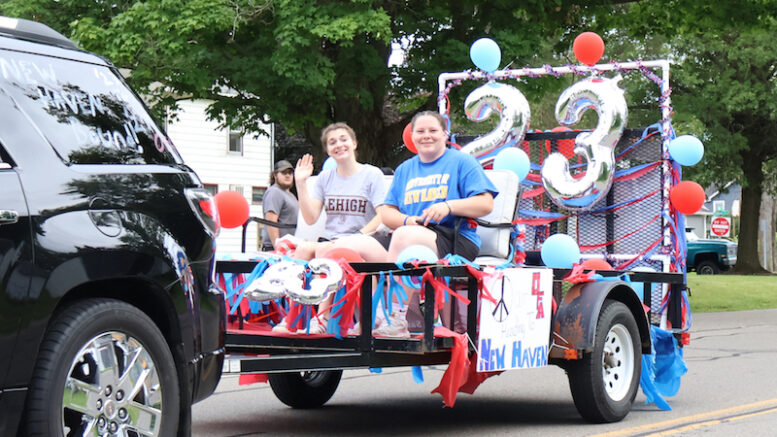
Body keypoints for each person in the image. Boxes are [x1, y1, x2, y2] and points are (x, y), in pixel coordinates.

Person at [379, 110, 498, 337]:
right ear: (411, 136)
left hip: (456, 239)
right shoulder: (405, 169)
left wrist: (449, 206)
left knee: (404, 237)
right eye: (420, 131)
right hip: (413, 234)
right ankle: (359, 319)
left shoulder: (462, 161)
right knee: (357, 246)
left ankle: (394, 316)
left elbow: (486, 204)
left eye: (433, 131)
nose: (427, 136)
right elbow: (386, 212)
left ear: (445, 134)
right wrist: (407, 220)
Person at [274, 122, 389, 333]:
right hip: (332, 240)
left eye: (343, 139)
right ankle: (292, 320)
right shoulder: (325, 178)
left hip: (365, 240)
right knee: (302, 250)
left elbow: (383, 214)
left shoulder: (372, 175)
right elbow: (310, 218)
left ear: (354, 144)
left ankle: (323, 318)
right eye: (332, 142)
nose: (339, 144)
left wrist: (356, 236)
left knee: (331, 251)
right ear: (327, 150)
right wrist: (301, 183)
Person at [260, 160, 299, 251]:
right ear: (275, 175)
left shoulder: (291, 195)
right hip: (276, 248)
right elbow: (271, 221)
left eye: (290, 173)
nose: (287, 175)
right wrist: (278, 248)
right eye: (283, 172)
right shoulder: (274, 192)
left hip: (289, 247)